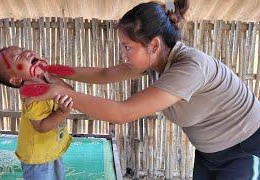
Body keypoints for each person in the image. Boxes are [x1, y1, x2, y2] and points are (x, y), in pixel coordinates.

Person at [24, 1, 260, 179]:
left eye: (127, 47)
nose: (122, 54)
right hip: (210, 151)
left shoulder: (189, 67)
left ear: (154, 45)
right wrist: (57, 71)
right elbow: (105, 74)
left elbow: (122, 112)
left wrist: (57, 91)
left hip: (244, 147)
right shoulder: (156, 61)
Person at [0, 46, 73, 180]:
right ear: (17, 80)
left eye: (23, 49)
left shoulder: (48, 79)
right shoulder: (31, 93)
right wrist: (62, 113)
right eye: (18, 57)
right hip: (37, 157)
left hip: (52, 149)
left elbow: (71, 92)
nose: (26, 53)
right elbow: (41, 126)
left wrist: (56, 80)